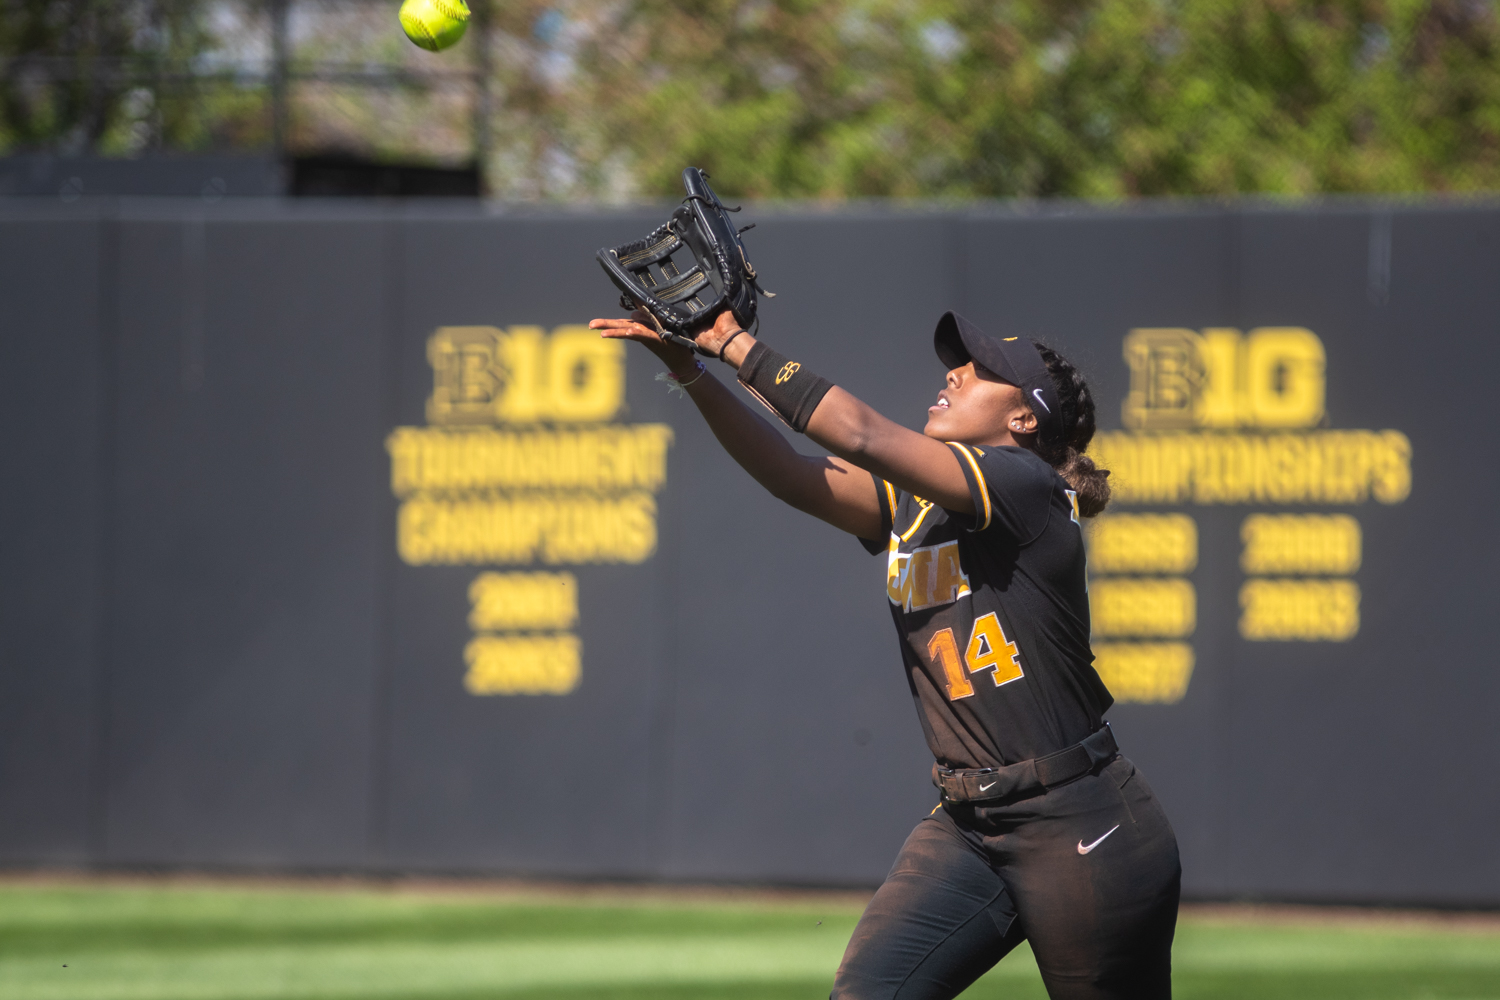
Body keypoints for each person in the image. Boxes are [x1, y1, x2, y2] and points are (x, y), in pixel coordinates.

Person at [588, 306, 1181, 1000]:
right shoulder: (915, 502)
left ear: (1024, 419)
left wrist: (732, 343)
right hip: (971, 825)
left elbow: (862, 433)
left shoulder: (1025, 488)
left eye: (981, 371)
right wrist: (691, 371)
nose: (955, 375)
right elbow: (790, 473)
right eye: (956, 365)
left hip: (1081, 825)